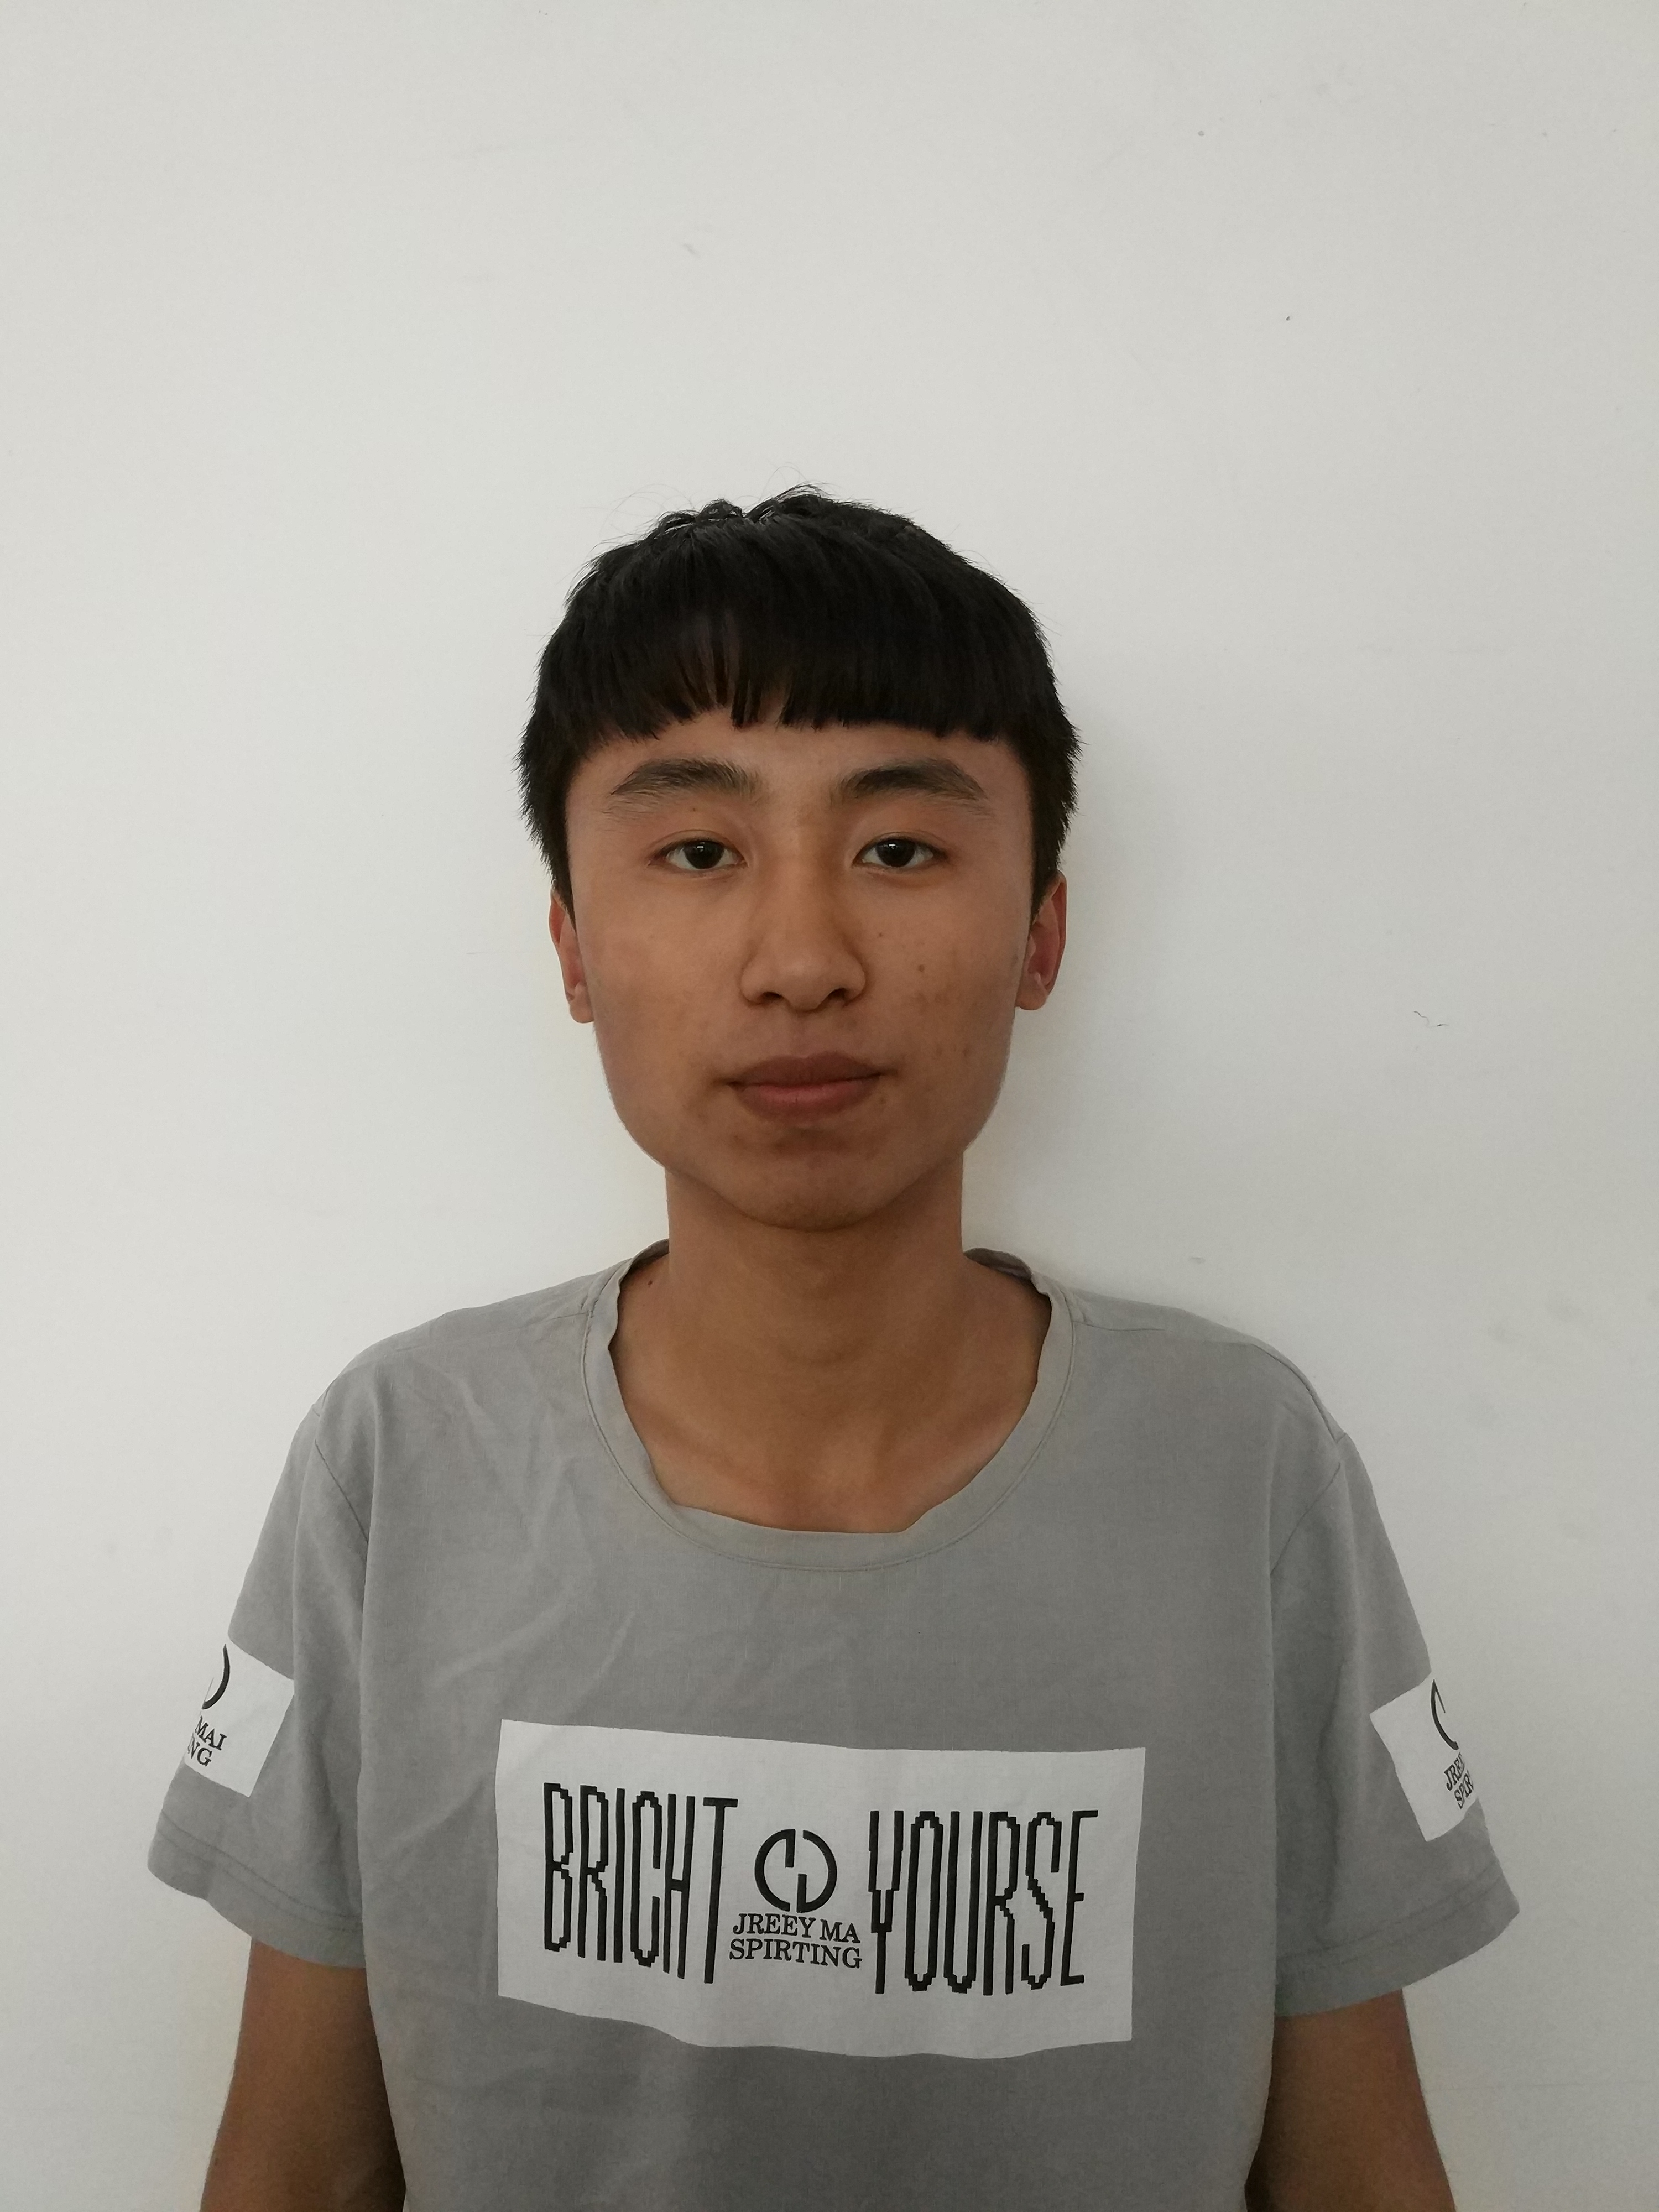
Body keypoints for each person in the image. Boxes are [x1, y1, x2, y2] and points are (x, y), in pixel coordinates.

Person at [150, 491, 1517, 2211]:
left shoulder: (1241, 1465)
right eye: (697, 853)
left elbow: (1360, 2174)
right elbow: (294, 2169)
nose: (801, 961)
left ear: (1042, 934)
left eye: (900, 850)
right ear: (572, 947)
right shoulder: (400, 1459)